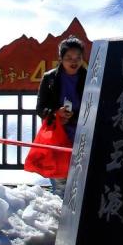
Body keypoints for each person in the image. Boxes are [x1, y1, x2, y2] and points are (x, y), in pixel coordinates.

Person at [36, 37, 86, 193]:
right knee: (60, 184)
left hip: (83, 138)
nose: (74, 61)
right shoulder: (50, 78)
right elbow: (41, 108)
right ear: (61, 58)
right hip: (58, 137)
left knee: (81, 183)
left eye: (78, 57)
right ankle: (60, 215)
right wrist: (56, 113)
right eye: (69, 58)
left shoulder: (90, 78)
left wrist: (74, 116)